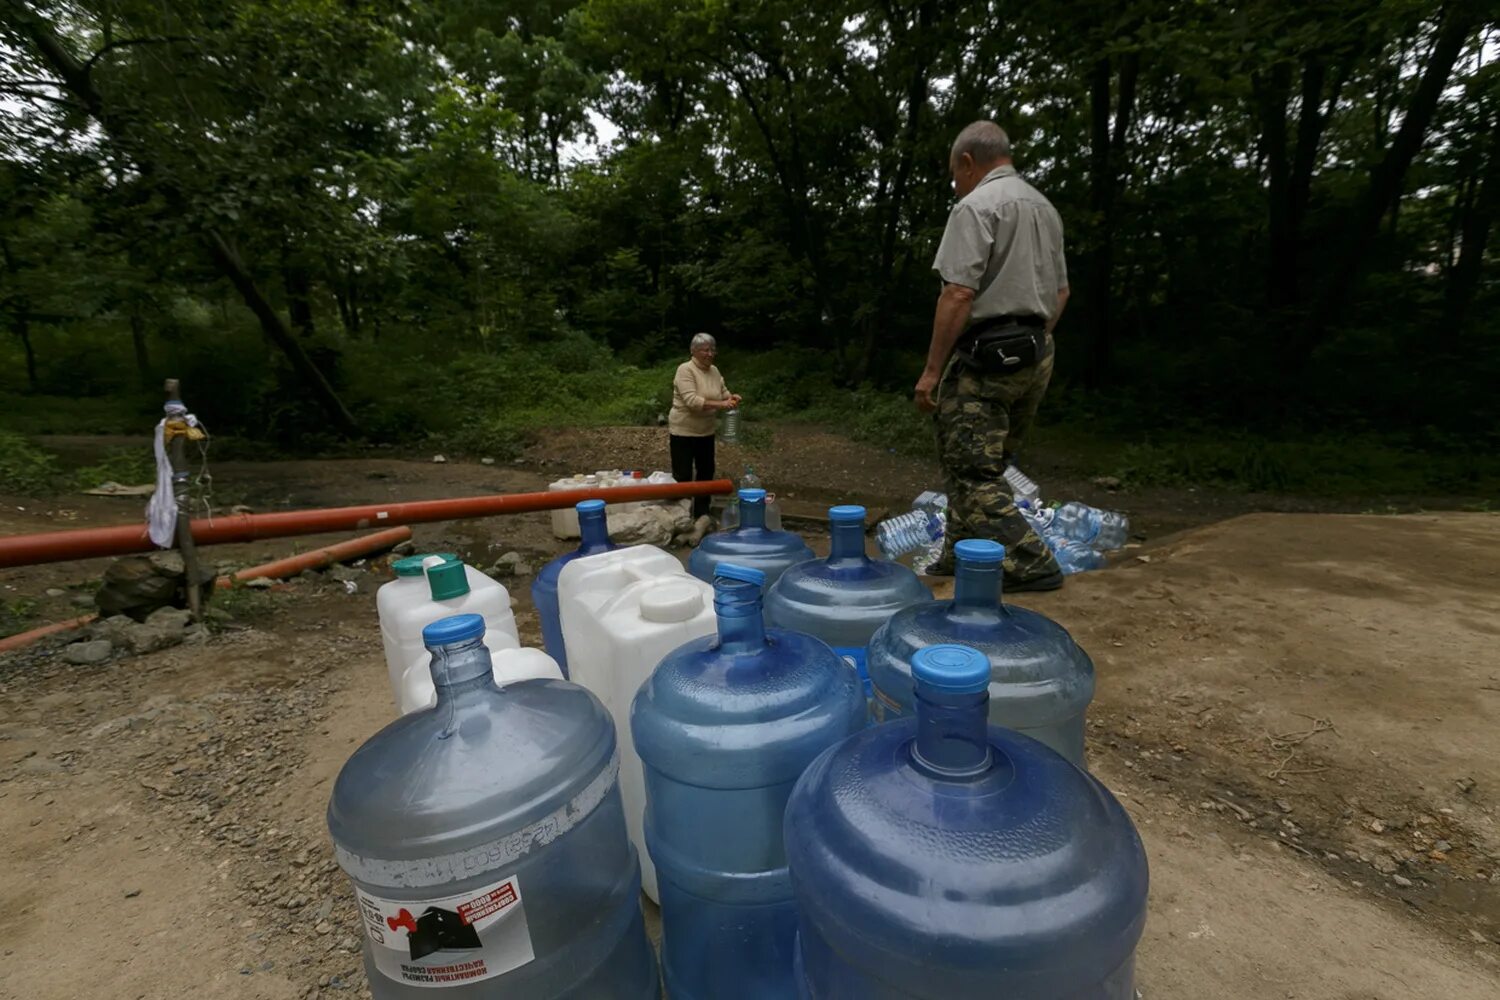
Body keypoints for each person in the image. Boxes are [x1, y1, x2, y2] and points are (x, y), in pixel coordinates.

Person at [913, 121, 1069, 592]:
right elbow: (1062, 291)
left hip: (985, 357)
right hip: (1037, 354)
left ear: (967, 162)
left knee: (971, 470)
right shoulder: (1045, 209)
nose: (955, 183)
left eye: (953, 174)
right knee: (981, 464)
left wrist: (933, 371)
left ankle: (1032, 561)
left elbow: (959, 293)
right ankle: (957, 555)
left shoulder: (976, 205)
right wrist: (1032, 341)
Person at [669, 332, 740, 520]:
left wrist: (731, 398)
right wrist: (721, 405)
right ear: (694, 351)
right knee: (683, 475)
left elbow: (723, 392)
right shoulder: (685, 370)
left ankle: (702, 513)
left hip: (706, 431)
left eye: (712, 350)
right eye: (705, 350)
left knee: (706, 472)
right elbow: (692, 401)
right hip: (683, 431)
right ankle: (681, 516)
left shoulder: (714, 370)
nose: (710, 354)